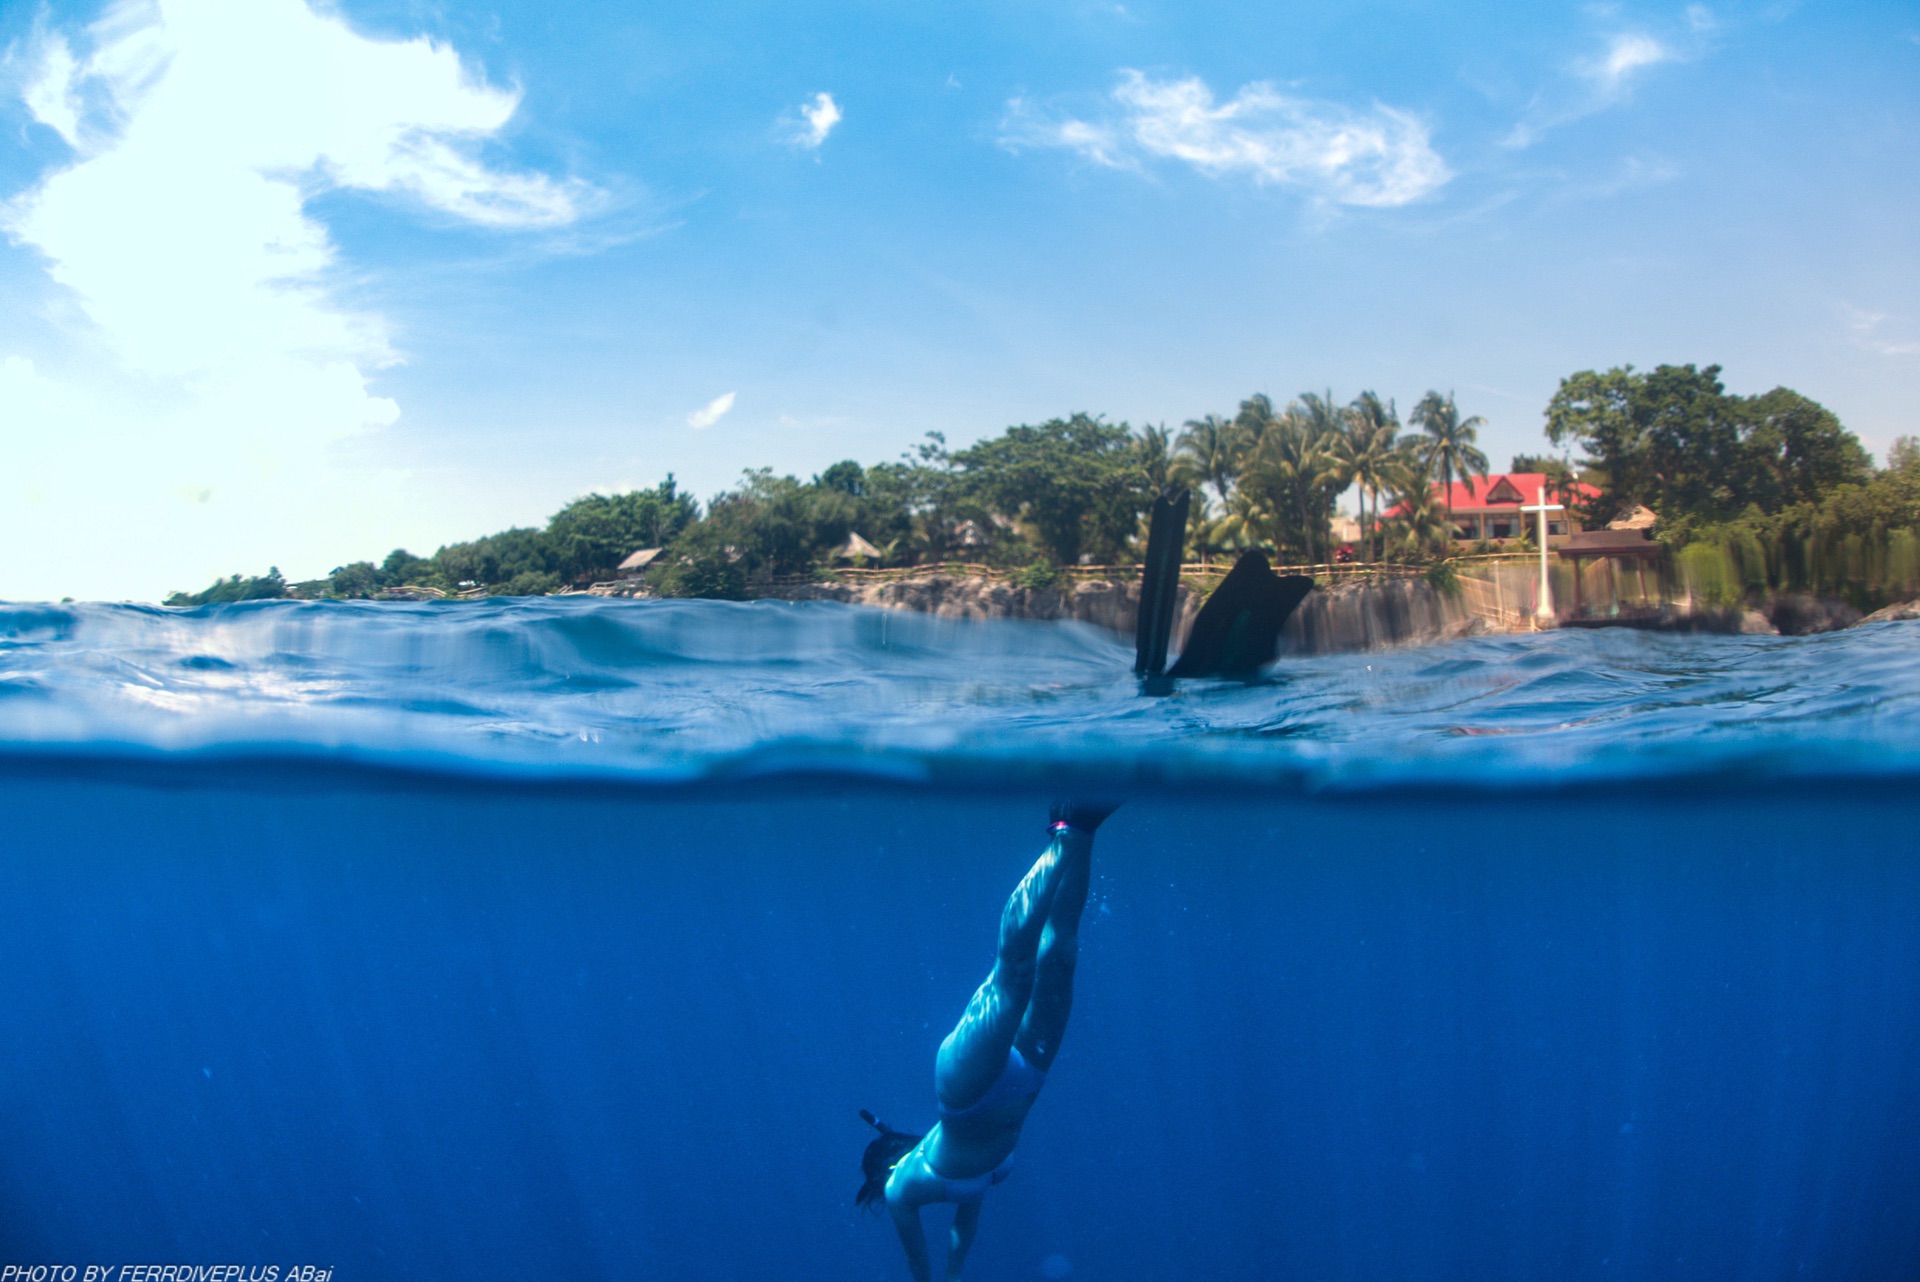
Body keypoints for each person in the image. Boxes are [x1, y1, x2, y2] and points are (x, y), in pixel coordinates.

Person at [857, 801, 1116, 1282]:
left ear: (882, 1171)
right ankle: (1081, 830)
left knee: (1013, 977)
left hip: (964, 1093)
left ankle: (1062, 836)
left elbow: (918, 1263)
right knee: (1061, 955)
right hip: (1027, 1079)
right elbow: (961, 1236)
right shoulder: (964, 1185)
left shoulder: (900, 1189)